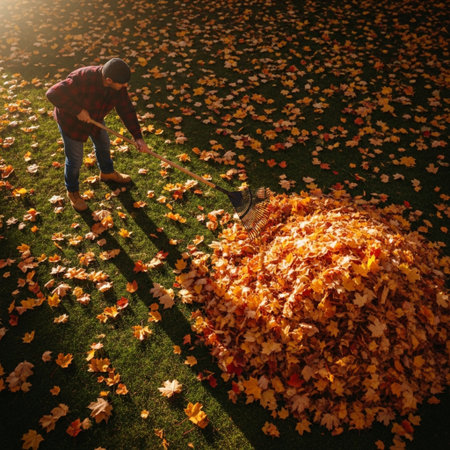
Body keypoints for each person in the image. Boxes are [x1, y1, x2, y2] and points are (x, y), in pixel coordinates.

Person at [46, 58, 152, 211]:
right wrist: (77, 110)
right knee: (75, 159)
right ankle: (73, 191)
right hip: (71, 123)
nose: (124, 86)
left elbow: (126, 109)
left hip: (94, 119)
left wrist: (138, 137)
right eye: (121, 84)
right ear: (108, 80)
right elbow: (52, 93)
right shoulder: (82, 78)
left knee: (103, 144)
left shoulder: (118, 86)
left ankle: (107, 172)